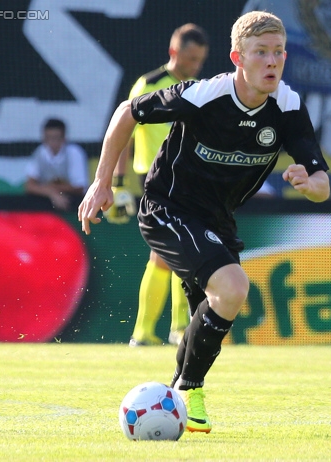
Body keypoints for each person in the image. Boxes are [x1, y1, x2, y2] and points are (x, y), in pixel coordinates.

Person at [78, 11, 330, 433]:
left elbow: (322, 183)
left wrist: (310, 182)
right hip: (166, 208)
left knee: (215, 307)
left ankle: (185, 392)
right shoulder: (203, 95)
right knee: (233, 287)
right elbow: (127, 112)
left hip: (217, 220)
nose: (272, 61)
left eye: (278, 53)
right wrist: (101, 183)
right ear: (238, 57)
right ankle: (180, 384)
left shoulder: (287, 108)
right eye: (261, 53)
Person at [105, 23, 210, 348]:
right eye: (190, 58)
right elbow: (124, 132)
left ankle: (156, 332)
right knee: (171, 252)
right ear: (173, 52)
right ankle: (161, 330)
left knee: (176, 253)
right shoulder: (150, 84)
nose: (195, 66)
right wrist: (118, 183)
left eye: (200, 60)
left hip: (192, 178)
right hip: (155, 178)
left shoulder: (199, 88)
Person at [25, 118, 89, 210]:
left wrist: (54, 190)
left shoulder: (74, 153)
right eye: (48, 138)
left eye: (55, 138)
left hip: (74, 202)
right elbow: (29, 186)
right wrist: (52, 194)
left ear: (63, 138)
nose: (51, 142)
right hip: (47, 201)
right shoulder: (39, 152)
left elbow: (79, 188)